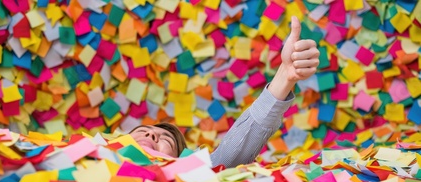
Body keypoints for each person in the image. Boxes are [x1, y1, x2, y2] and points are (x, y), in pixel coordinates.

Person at [129, 17, 320, 168]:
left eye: (166, 140)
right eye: (142, 131)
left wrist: (284, 76)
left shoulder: (193, 177)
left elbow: (233, 150)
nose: (152, 136)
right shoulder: (99, 156)